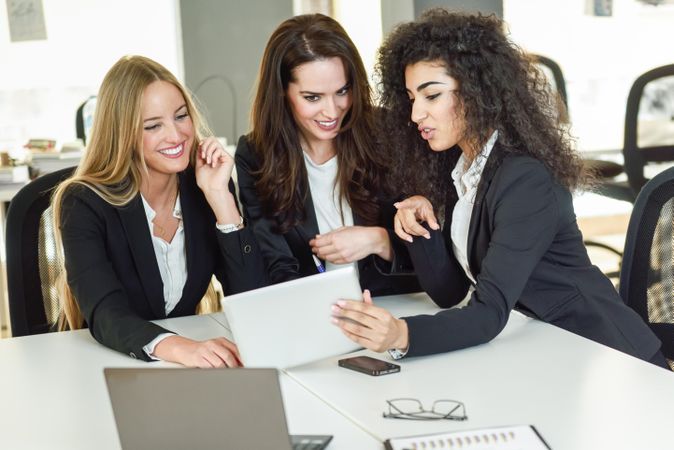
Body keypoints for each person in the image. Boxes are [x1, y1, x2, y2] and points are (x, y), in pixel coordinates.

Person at [332, 9, 668, 368]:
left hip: (605, 356)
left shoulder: (525, 180)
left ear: (478, 91)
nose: (416, 114)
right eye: (412, 98)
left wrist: (401, 335)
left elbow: (488, 313)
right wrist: (420, 228)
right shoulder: (462, 171)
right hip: (546, 351)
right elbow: (450, 293)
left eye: (432, 96)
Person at [52, 55, 266, 367]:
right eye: (154, 125)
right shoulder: (85, 203)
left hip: (181, 371)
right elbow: (106, 312)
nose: (176, 136)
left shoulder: (203, 186)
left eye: (181, 117)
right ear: (122, 134)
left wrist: (221, 199)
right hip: (105, 364)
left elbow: (252, 301)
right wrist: (181, 348)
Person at [235, 14, 419, 295]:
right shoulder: (256, 155)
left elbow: (432, 257)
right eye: (313, 97)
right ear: (282, 93)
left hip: (397, 310)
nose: (332, 112)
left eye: (342, 91)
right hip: (309, 317)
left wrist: (379, 241)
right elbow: (275, 265)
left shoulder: (387, 134)